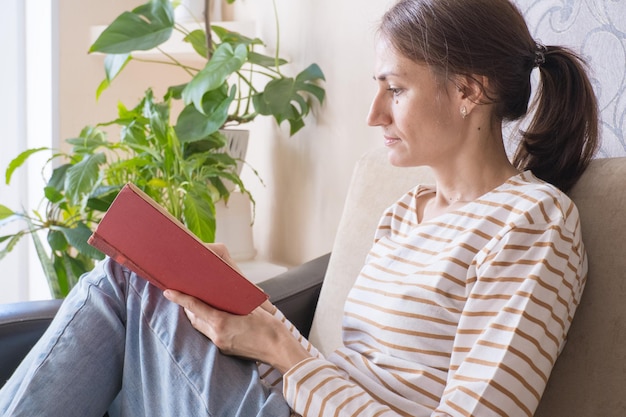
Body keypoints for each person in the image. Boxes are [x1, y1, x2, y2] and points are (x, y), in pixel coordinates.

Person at [1, 0, 599, 415]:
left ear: (469, 91)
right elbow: (343, 371)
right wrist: (237, 305)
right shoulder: (406, 211)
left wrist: (280, 350)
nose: (373, 113)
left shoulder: (532, 222)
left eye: (395, 88)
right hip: (290, 399)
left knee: (124, 283)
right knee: (138, 271)